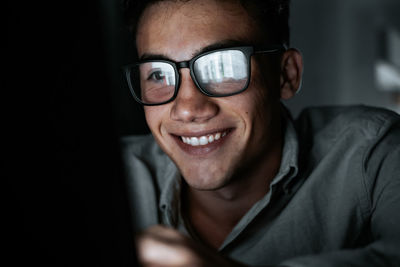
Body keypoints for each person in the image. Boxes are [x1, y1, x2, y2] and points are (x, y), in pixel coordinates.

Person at [121, 0, 400, 266]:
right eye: (158, 74)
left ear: (286, 75)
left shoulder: (375, 154)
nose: (187, 109)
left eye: (222, 68)